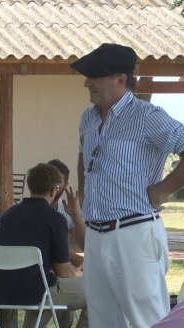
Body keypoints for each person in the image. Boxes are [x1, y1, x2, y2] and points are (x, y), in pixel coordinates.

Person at [72, 43, 184, 327]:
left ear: (121, 79)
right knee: (102, 321)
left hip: (135, 233)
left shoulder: (148, 116)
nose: (86, 82)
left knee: (150, 321)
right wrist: (84, 195)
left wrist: (163, 189)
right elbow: (84, 156)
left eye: (94, 76)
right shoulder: (88, 118)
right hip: (96, 237)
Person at [0, 163, 88, 328]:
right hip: (38, 292)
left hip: (2, 291)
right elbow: (64, 273)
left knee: (47, 284)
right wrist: (78, 275)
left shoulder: (7, 216)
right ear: (53, 190)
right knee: (99, 292)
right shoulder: (55, 219)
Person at [47, 159, 85, 268]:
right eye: (49, 179)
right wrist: (70, 256)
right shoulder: (29, 210)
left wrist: (76, 215)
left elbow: (86, 246)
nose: (53, 185)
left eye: (58, 181)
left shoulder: (65, 210)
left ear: (66, 185)